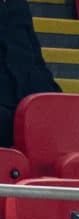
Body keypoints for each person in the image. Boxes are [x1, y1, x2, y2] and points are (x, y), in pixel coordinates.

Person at [0, 0, 61, 147]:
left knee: (67, 116)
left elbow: (35, 56)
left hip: (30, 92)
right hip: (5, 101)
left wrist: (53, 92)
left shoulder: (17, 4)